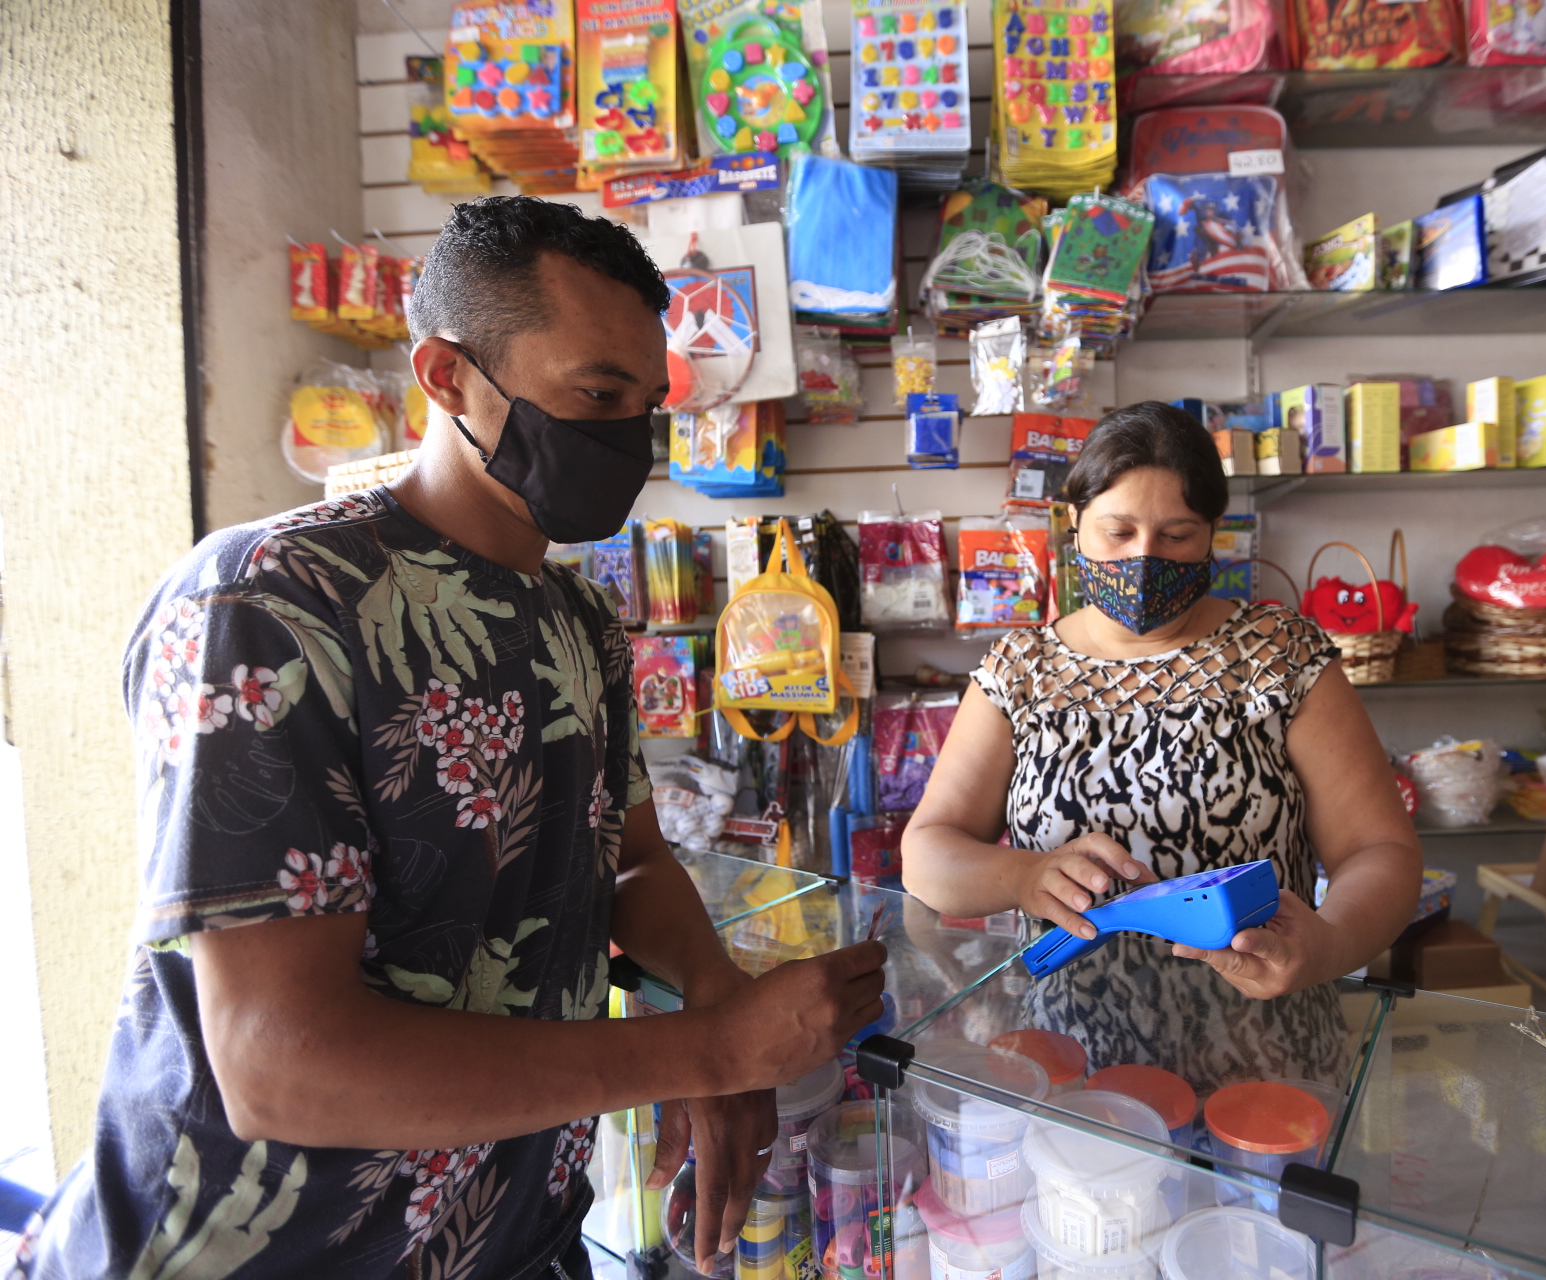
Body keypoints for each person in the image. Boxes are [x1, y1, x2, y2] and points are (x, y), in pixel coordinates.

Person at [11, 197, 886, 1280]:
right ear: (446, 374)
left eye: (646, 405)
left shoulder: (580, 623)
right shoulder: (268, 605)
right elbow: (282, 1065)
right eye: (596, 394)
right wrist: (705, 1048)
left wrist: (720, 1005)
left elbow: (632, 857)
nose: (627, 438)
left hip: (513, 1240)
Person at [901, 402, 1420, 1090]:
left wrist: (1328, 945)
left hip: (1265, 1053)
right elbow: (928, 852)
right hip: (1069, 1057)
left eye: (1177, 535)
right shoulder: (1019, 670)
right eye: (1118, 531)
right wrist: (1025, 877)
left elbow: (1379, 851)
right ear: (1074, 525)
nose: (1144, 559)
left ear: (1212, 536)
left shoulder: (1280, 656)